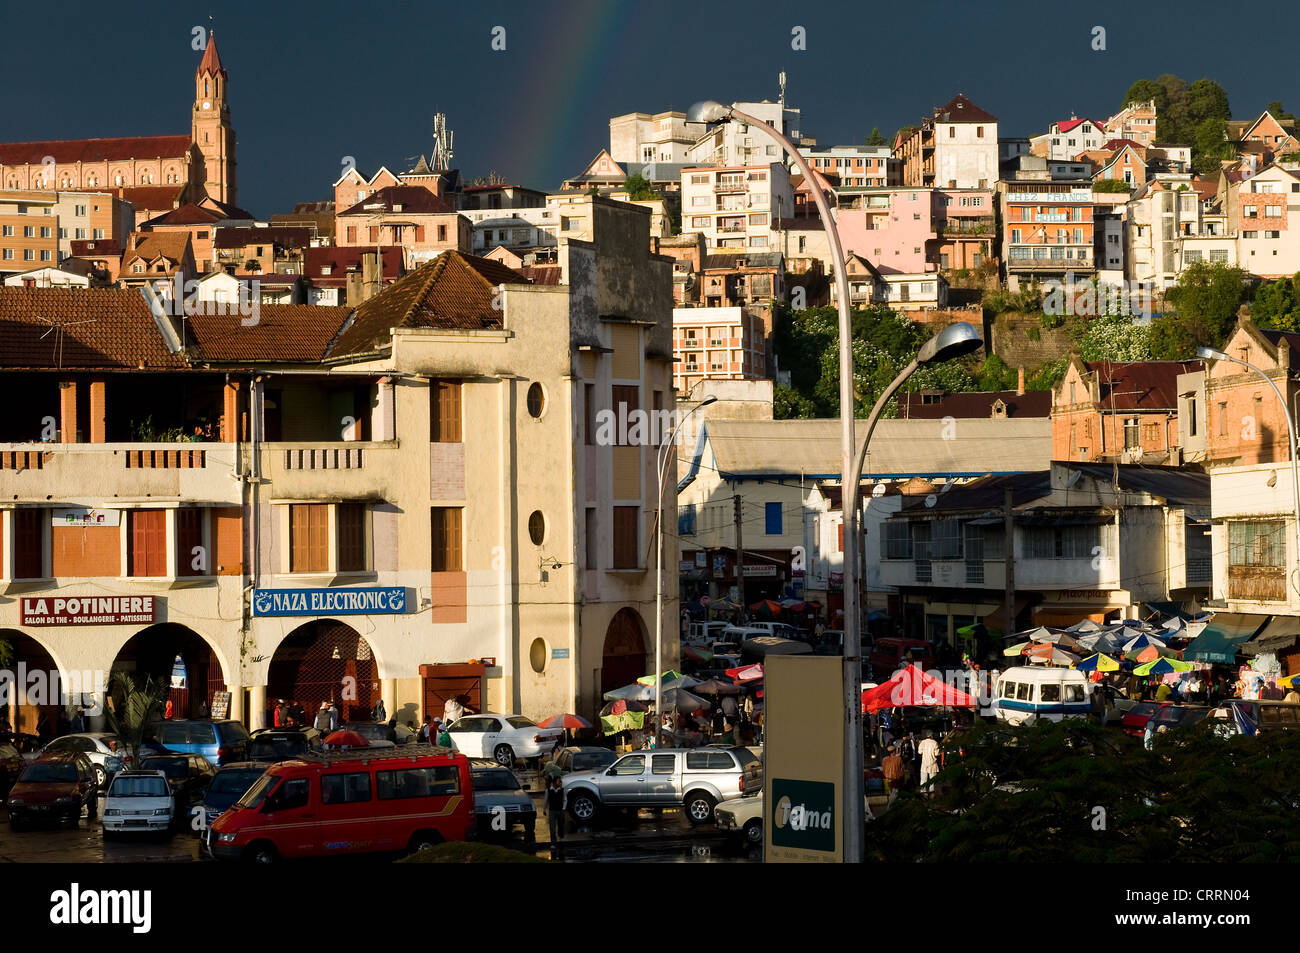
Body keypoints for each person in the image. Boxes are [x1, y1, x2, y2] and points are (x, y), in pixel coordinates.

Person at [544, 776, 567, 851]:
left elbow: (565, 800)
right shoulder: (548, 790)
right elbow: (546, 800)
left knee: (561, 825)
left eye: (561, 781)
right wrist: (544, 809)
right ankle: (553, 843)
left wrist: (563, 808)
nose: (560, 783)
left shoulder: (562, 790)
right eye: (559, 781)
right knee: (552, 828)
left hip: (560, 810)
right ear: (554, 783)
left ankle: (561, 836)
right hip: (552, 811)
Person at [918, 730, 940, 794]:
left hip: (924, 764)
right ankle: (931, 793)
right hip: (932, 764)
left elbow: (919, 752)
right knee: (932, 781)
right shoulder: (935, 743)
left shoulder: (923, 742)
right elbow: (937, 753)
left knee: (923, 780)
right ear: (931, 736)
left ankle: (923, 793)